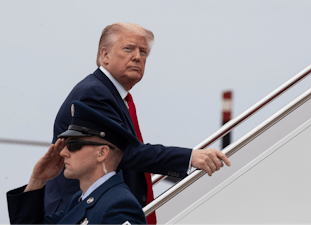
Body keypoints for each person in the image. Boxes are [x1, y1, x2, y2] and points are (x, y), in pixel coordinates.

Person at [46, 22, 231, 224]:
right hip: (80, 211)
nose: (137, 57)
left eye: (143, 52)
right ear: (104, 55)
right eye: (128, 48)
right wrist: (189, 157)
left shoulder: (111, 94)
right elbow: (124, 151)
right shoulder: (94, 93)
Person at [7, 101, 146, 225]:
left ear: (101, 153)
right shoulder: (79, 200)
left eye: (73, 145)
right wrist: (37, 180)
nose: (63, 153)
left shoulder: (119, 207)